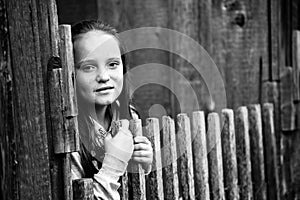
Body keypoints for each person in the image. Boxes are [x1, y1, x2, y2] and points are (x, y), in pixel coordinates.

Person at [70, 20, 153, 200]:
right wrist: (114, 164)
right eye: (89, 67)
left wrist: (144, 167)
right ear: (70, 73)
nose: (104, 77)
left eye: (113, 64)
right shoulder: (69, 136)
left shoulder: (130, 116)